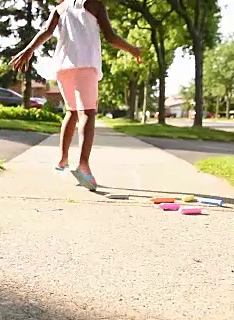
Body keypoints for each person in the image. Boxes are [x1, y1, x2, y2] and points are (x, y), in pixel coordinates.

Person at [9, 0, 142, 191]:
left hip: (63, 68)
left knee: (71, 111)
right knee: (87, 112)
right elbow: (110, 36)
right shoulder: (94, 3)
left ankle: (63, 159)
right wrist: (133, 50)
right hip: (85, 64)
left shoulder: (60, 8)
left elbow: (46, 31)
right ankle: (83, 166)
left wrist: (28, 50)